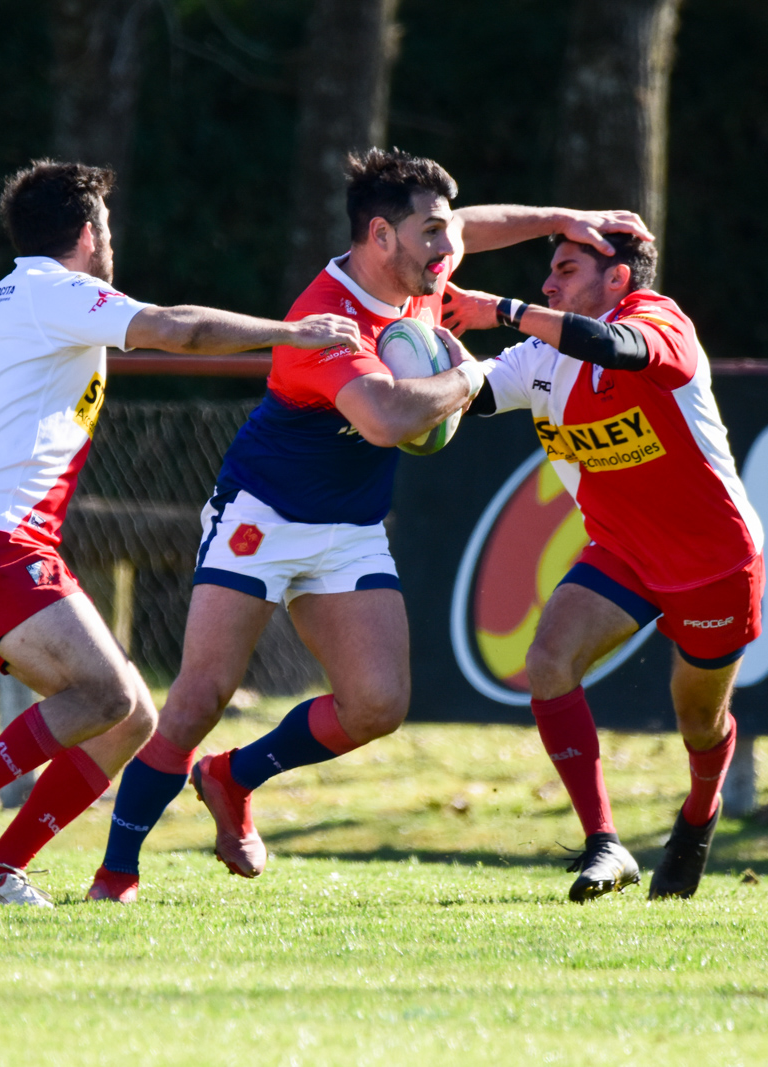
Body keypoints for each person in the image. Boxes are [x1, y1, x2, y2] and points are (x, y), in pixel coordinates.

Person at [86, 147, 651, 903]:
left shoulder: (422, 267)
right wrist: (471, 374)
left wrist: (562, 217)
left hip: (349, 525)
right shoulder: (328, 319)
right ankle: (115, 872)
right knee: (199, 697)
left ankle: (232, 776)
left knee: (377, 705)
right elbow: (385, 419)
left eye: (445, 232)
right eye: (431, 233)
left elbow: (476, 225)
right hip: (263, 516)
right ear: (380, 237)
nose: (448, 248)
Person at [0, 159, 363, 908]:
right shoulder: (57, 290)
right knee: (105, 693)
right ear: (86, 234)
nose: (111, 241)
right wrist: (295, 332)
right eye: (105, 226)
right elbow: (179, 329)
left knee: (129, 715)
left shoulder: (17, 294)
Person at [444, 233, 763, 902]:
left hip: (712, 561)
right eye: (549, 271)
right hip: (622, 549)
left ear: (617, 278)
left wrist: (502, 309)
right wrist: (412, 351)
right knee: (547, 660)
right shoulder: (540, 355)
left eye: (567, 269)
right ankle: (605, 843)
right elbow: (471, 393)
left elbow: (613, 348)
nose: (548, 283)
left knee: (698, 721)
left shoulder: (659, 320)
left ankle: (699, 813)